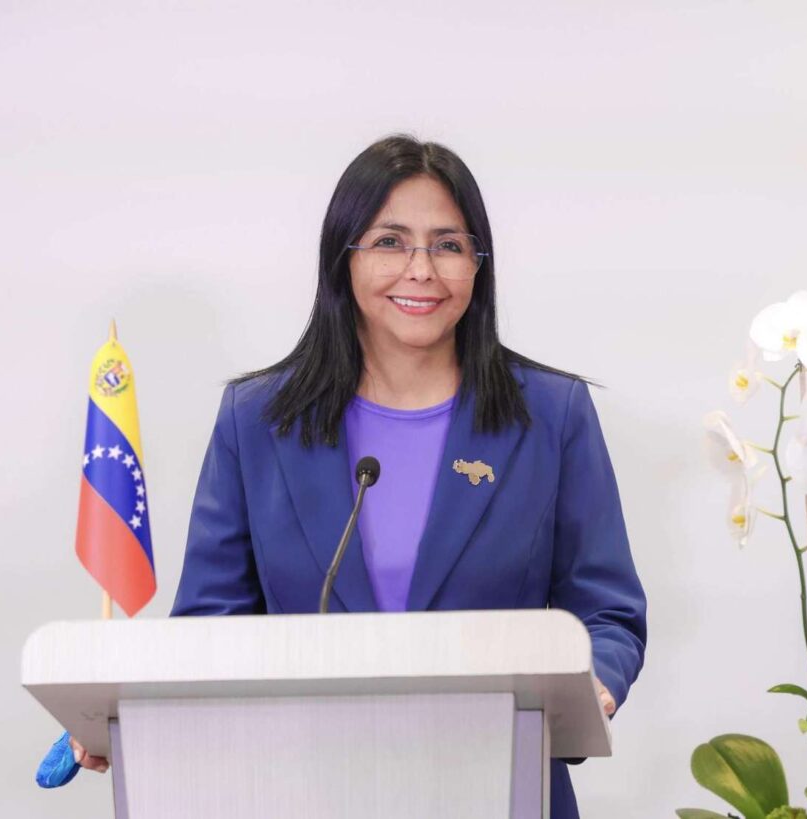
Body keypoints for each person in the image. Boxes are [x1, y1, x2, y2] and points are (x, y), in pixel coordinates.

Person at [50, 134, 648, 818]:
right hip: (302, 788)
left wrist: (594, 680)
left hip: (503, 785)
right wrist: (124, 714)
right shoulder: (257, 422)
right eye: (390, 241)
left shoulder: (550, 415)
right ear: (344, 259)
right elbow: (212, 628)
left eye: (449, 245)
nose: (421, 269)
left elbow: (608, 608)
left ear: (478, 266)